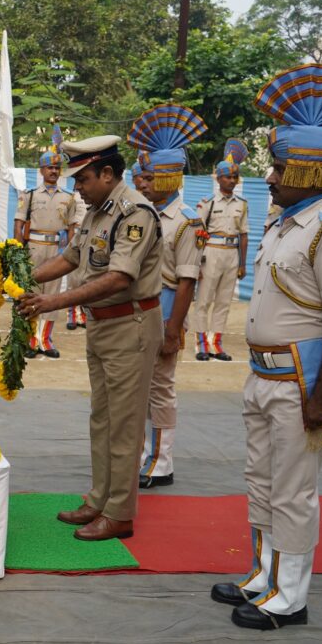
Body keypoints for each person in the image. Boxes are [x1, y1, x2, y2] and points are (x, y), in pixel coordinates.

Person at [211, 63, 322, 631]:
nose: (271, 177)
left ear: (311, 169)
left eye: (280, 168)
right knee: (261, 481)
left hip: (300, 382)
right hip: (263, 376)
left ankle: (290, 597)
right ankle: (265, 576)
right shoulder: (284, 225)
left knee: (293, 492)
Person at [17, 135, 163, 541]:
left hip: (130, 326)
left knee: (124, 425)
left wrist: (53, 302)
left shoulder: (135, 214)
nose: (77, 187)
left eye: (82, 179)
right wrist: (23, 277)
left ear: (107, 174)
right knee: (102, 419)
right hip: (103, 326)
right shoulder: (97, 212)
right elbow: (71, 257)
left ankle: (120, 513)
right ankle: (100, 499)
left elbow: (118, 278)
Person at [126, 104, 207, 489]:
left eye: (149, 177)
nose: (142, 184)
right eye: (142, 178)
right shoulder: (144, 213)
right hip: (138, 312)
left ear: (170, 177)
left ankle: (161, 462)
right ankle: (144, 455)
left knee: (159, 388)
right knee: (140, 388)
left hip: (167, 311)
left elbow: (188, 280)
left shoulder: (188, 221)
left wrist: (174, 330)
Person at [13, 125, 81, 358]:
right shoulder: (29, 194)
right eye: (49, 167)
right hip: (33, 248)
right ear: (41, 170)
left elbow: (72, 228)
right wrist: (17, 252)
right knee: (31, 292)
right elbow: (19, 223)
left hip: (57, 249)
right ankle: (31, 339)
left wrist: (70, 252)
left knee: (52, 293)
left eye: (56, 167)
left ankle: (45, 339)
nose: (53, 171)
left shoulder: (69, 198)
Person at [193, 140, 250, 361]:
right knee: (204, 300)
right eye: (228, 177)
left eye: (235, 177)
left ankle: (216, 345)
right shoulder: (207, 202)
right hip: (211, 253)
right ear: (218, 179)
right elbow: (198, 234)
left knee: (224, 302)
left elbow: (243, 234)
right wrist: (197, 262)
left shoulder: (242, 204)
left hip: (231, 254)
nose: (232, 181)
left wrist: (242, 263)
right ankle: (201, 346)